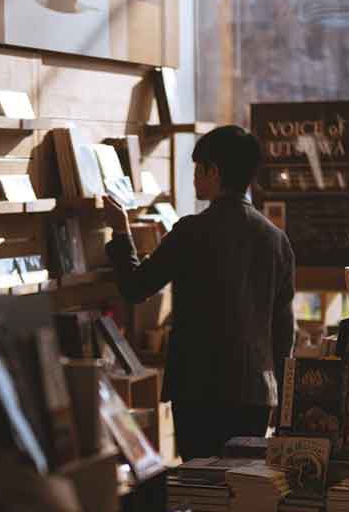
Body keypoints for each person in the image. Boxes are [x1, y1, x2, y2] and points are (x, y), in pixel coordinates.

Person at [103, 125, 296, 461]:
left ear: (214, 171)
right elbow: (283, 331)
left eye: (198, 169)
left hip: (198, 391)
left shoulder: (191, 231)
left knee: (200, 484)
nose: (195, 178)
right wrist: (282, 396)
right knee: (242, 487)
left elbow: (135, 287)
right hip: (255, 393)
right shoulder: (276, 240)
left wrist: (120, 230)